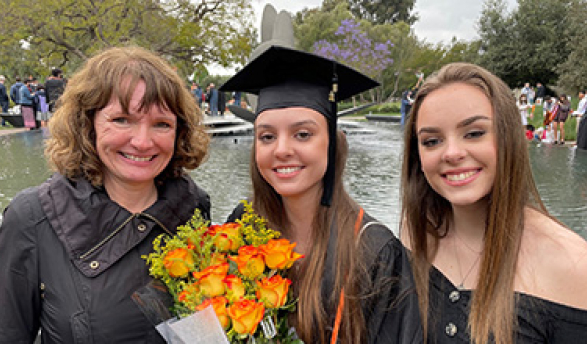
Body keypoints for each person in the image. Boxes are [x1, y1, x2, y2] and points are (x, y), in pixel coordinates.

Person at [0, 46, 211, 343]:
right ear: (88, 125)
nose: (142, 141)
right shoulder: (32, 219)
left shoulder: (194, 208)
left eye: (161, 124)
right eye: (122, 119)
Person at [221, 45, 422, 344]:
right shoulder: (243, 226)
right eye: (267, 136)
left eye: (303, 134)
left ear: (332, 142)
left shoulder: (374, 251)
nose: (282, 149)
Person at [400, 62, 587, 344]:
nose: (451, 153)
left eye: (474, 133)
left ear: (508, 137)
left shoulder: (573, 265)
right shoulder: (416, 233)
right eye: (432, 141)